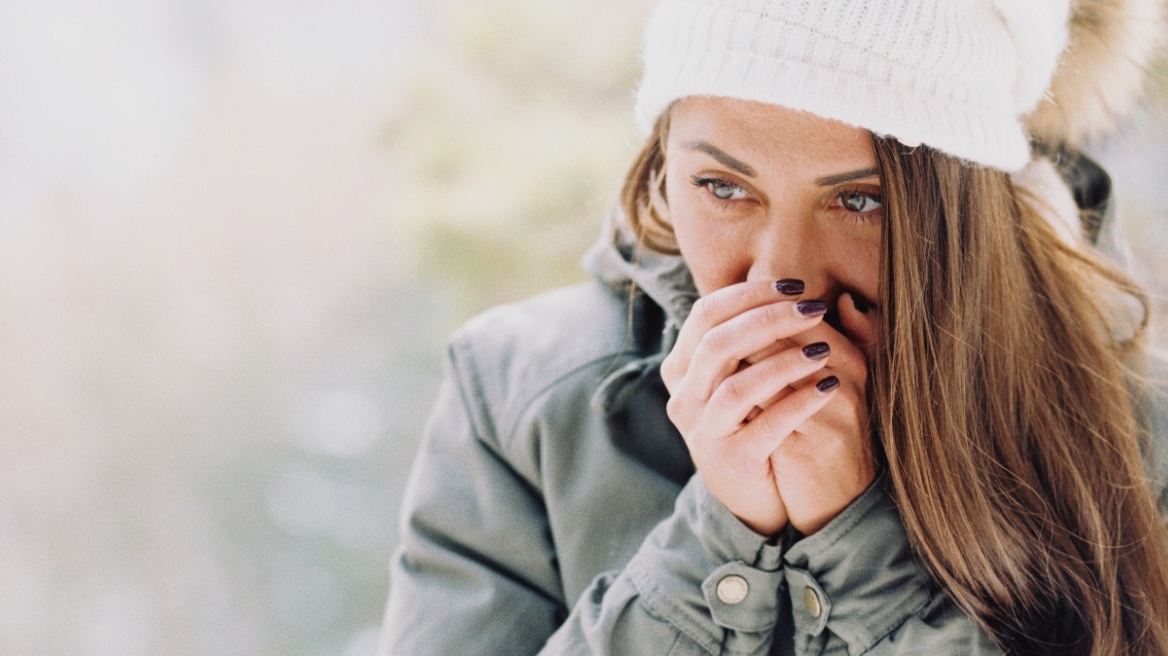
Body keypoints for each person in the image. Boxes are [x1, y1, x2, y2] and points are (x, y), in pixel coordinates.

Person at [379, 0, 1168, 654]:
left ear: (960, 216)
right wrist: (717, 545)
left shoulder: (1124, 415)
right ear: (662, 160)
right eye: (722, 187)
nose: (779, 275)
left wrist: (857, 545)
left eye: (860, 200)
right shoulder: (520, 398)